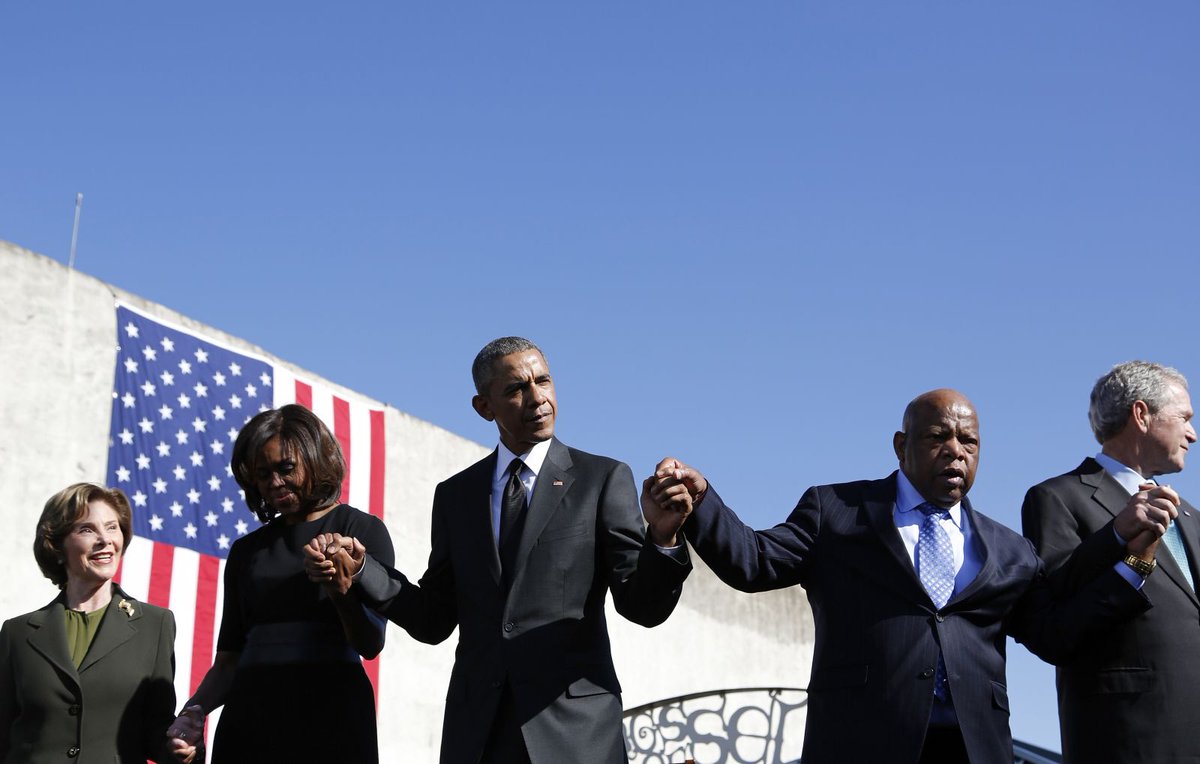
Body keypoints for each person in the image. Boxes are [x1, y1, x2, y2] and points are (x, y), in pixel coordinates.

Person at [645, 389, 1169, 764]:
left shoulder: (1009, 549)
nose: (956, 451)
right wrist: (703, 502)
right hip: (861, 741)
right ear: (901, 446)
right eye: (938, 437)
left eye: (969, 441)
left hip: (975, 746)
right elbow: (754, 562)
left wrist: (1134, 562)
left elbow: (1055, 634)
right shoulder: (838, 510)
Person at [305, 336, 693, 763]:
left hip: (574, 735)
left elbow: (643, 606)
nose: (537, 397)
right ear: (484, 407)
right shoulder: (455, 496)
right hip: (479, 735)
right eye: (515, 388)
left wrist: (663, 539)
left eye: (542, 380)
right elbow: (433, 619)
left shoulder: (602, 479)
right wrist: (364, 570)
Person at [165, 404, 393, 762]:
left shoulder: (361, 531)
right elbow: (228, 662)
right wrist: (193, 711)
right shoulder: (246, 551)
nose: (274, 483)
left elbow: (370, 642)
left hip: (333, 723)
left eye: (285, 468)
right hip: (249, 726)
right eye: (262, 474)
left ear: (316, 458)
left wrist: (339, 589)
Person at [1022, 361, 1197, 763]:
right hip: (1127, 736)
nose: (1192, 433)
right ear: (1141, 414)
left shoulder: (1190, 516)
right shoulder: (1057, 498)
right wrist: (1117, 534)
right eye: (1184, 418)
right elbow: (1055, 617)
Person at [0, 483, 185, 763]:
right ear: (57, 546)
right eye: (87, 529)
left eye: (112, 527)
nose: (105, 539)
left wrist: (180, 746)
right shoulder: (16, 633)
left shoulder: (156, 625)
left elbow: (156, 730)